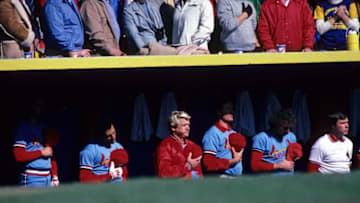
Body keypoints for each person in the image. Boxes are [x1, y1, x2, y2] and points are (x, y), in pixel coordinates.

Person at [12, 100, 59, 187]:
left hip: (47, 176)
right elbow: (18, 155)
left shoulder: (45, 126)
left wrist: (55, 176)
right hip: (32, 176)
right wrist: (41, 153)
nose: (39, 108)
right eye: (37, 105)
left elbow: (51, 154)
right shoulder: (22, 127)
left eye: (41, 105)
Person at [155, 111, 203, 179]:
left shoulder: (195, 147)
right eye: (184, 125)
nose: (188, 128)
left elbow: (199, 175)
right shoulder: (165, 146)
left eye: (188, 125)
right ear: (173, 128)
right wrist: (188, 166)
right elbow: (163, 173)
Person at [251, 109, 299, 175]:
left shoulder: (291, 136)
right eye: (285, 128)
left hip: (288, 180)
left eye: (290, 128)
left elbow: (293, 157)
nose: (288, 131)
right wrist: (278, 165)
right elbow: (255, 166)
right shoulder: (261, 138)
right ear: (276, 125)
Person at [202, 101, 244, 177]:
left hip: (236, 178)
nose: (231, 112)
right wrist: (234, 160)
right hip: (221, 177)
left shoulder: (233, 132)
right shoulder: (212, 134)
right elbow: (208, 164)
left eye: (232, 109)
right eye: (227, 109)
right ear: (219, 112)